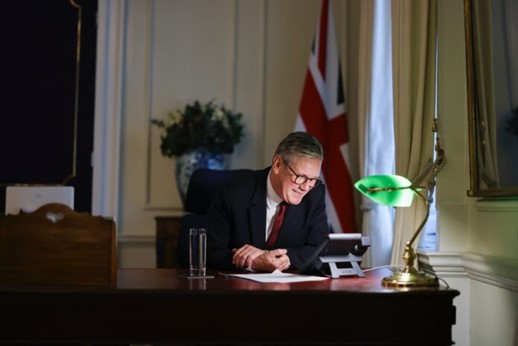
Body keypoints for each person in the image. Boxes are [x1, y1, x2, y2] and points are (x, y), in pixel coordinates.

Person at [207, 131, 330, 272]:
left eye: (313, 179)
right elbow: (211, 253)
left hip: (290, 290)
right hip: (241, 289)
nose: (305, 187)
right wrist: (253, 263)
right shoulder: (233, 192)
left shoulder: (314, 194)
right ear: (277, 164)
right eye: (300, 176)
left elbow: (321, 250)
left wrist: (284, 259)